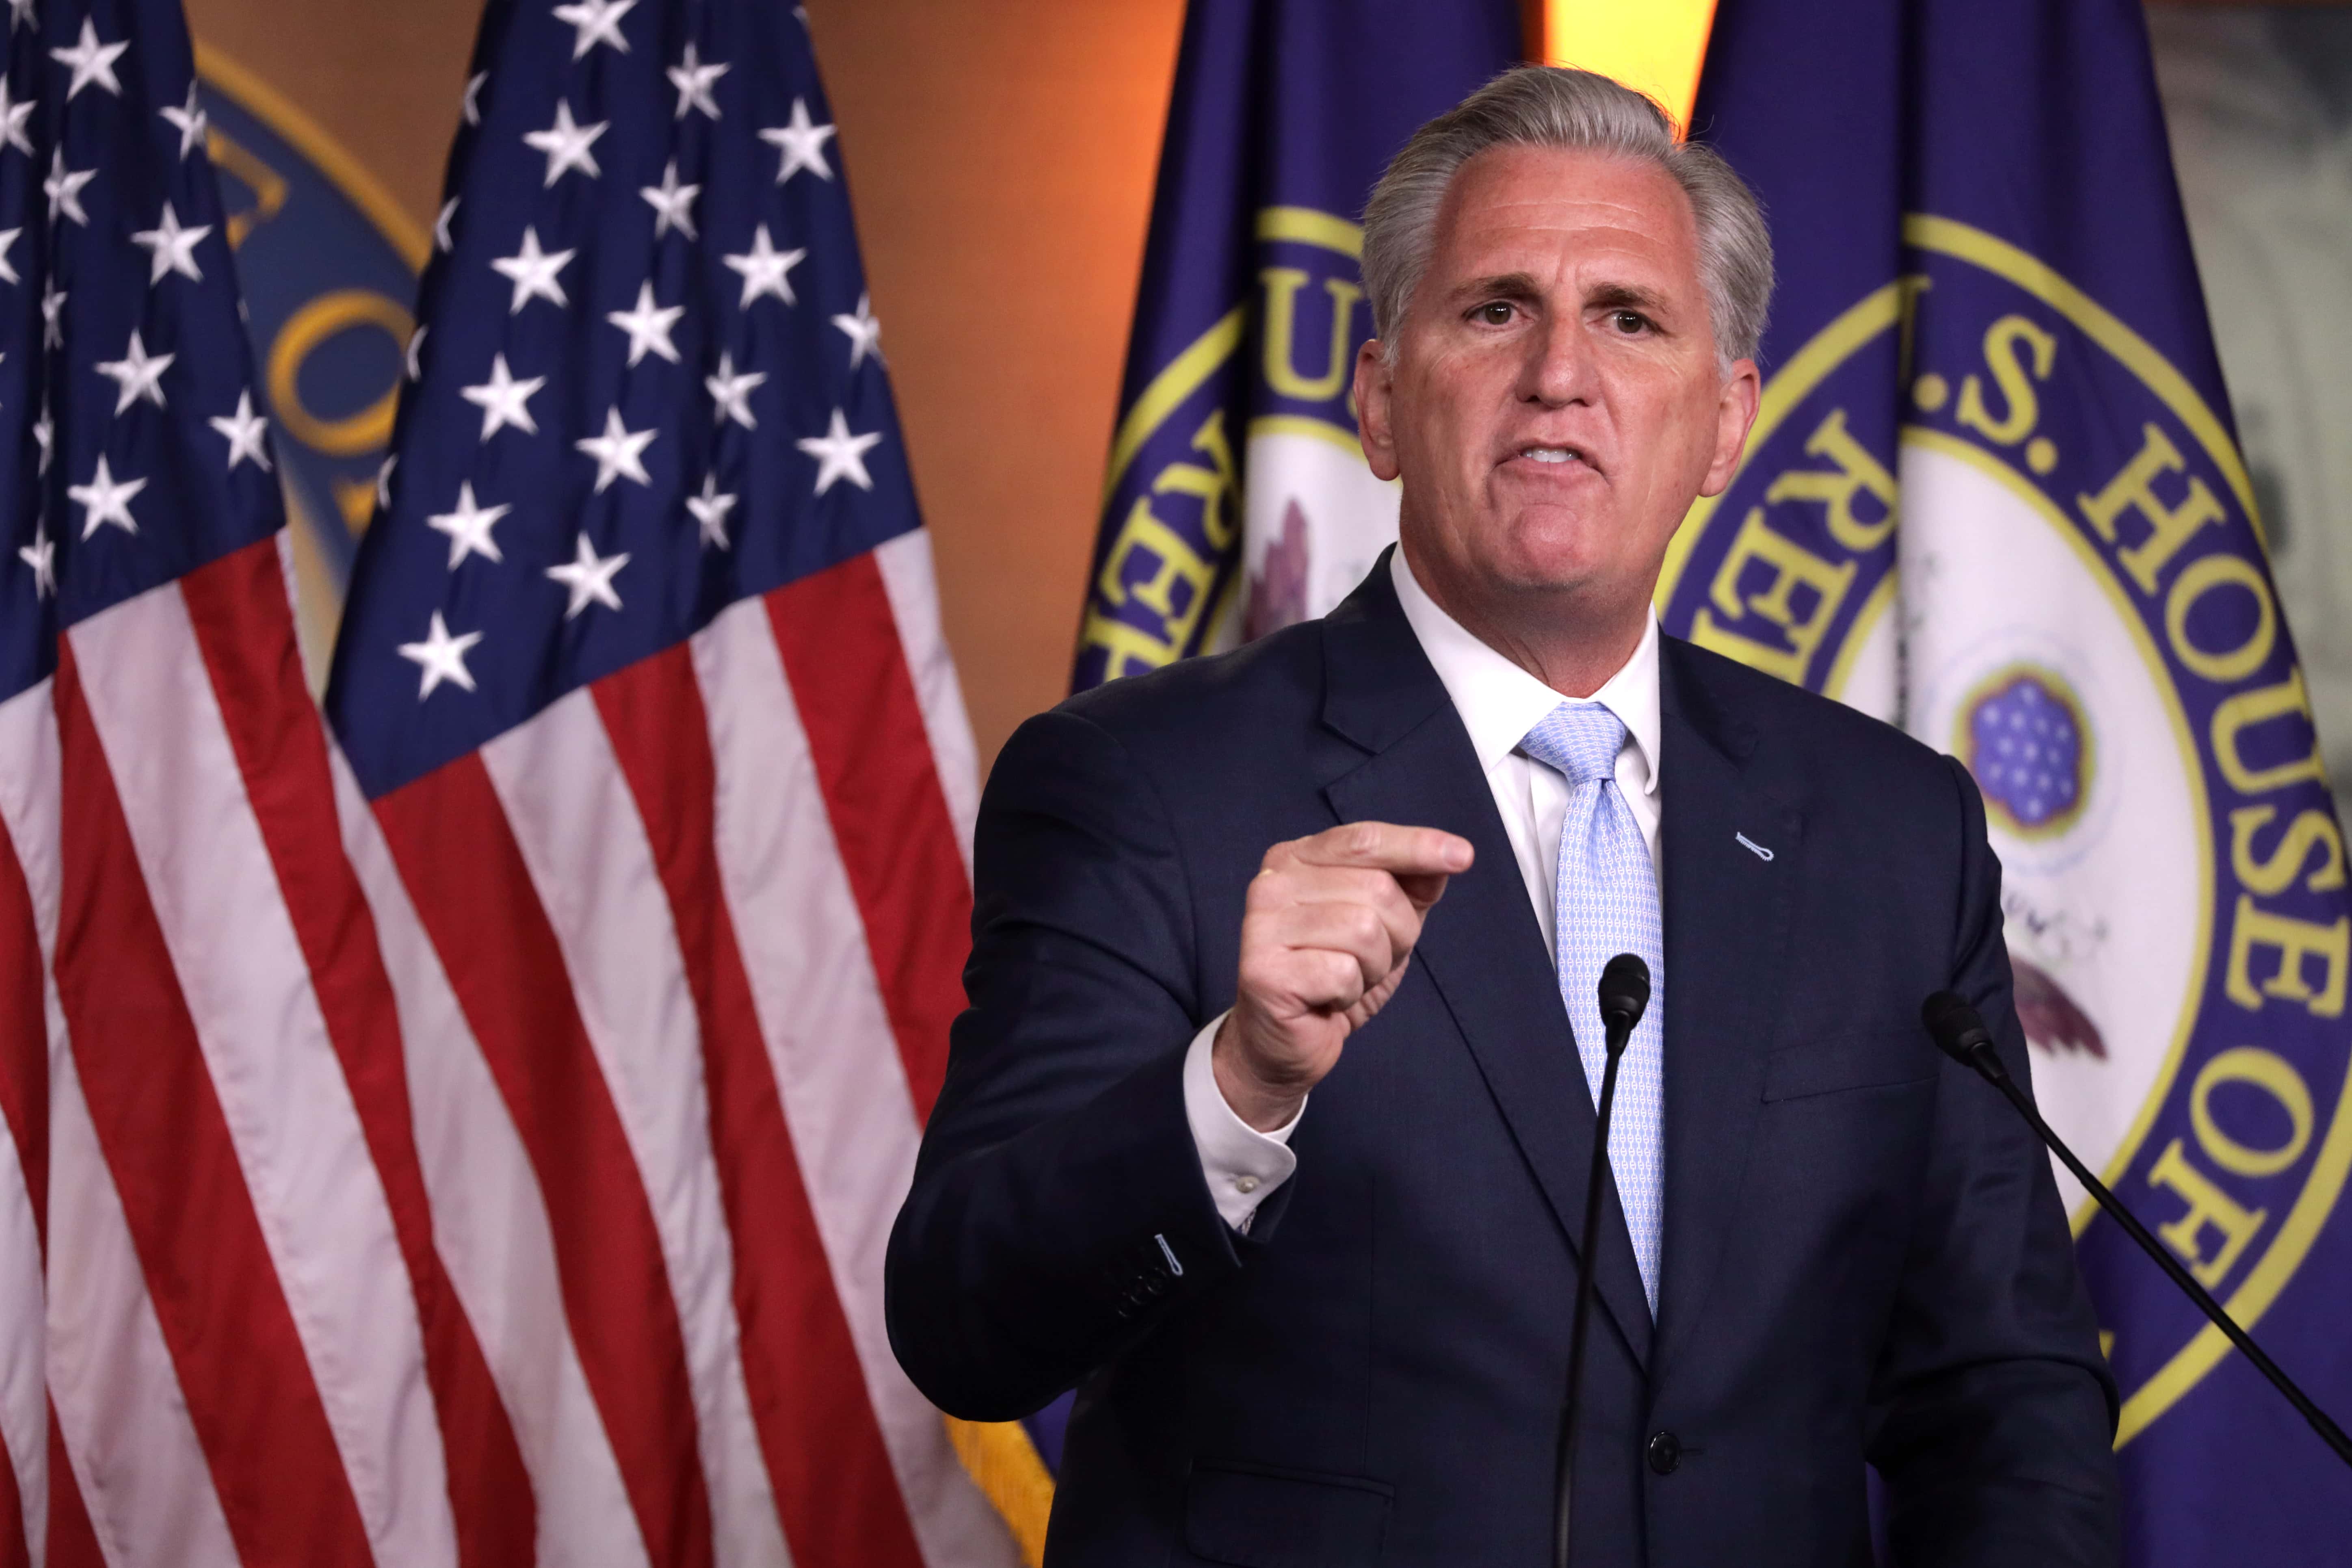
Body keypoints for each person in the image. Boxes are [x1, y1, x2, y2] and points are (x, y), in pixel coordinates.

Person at [887, 66, 2120, 1568]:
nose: (1559, 372)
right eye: (1492, 310)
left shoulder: (1891, 831)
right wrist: (1238, 1085)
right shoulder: (1142, 787)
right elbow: (964, 1319)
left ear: (1725, 425)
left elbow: (2003, 1394)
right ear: (1380, 401)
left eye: (1630, 317)